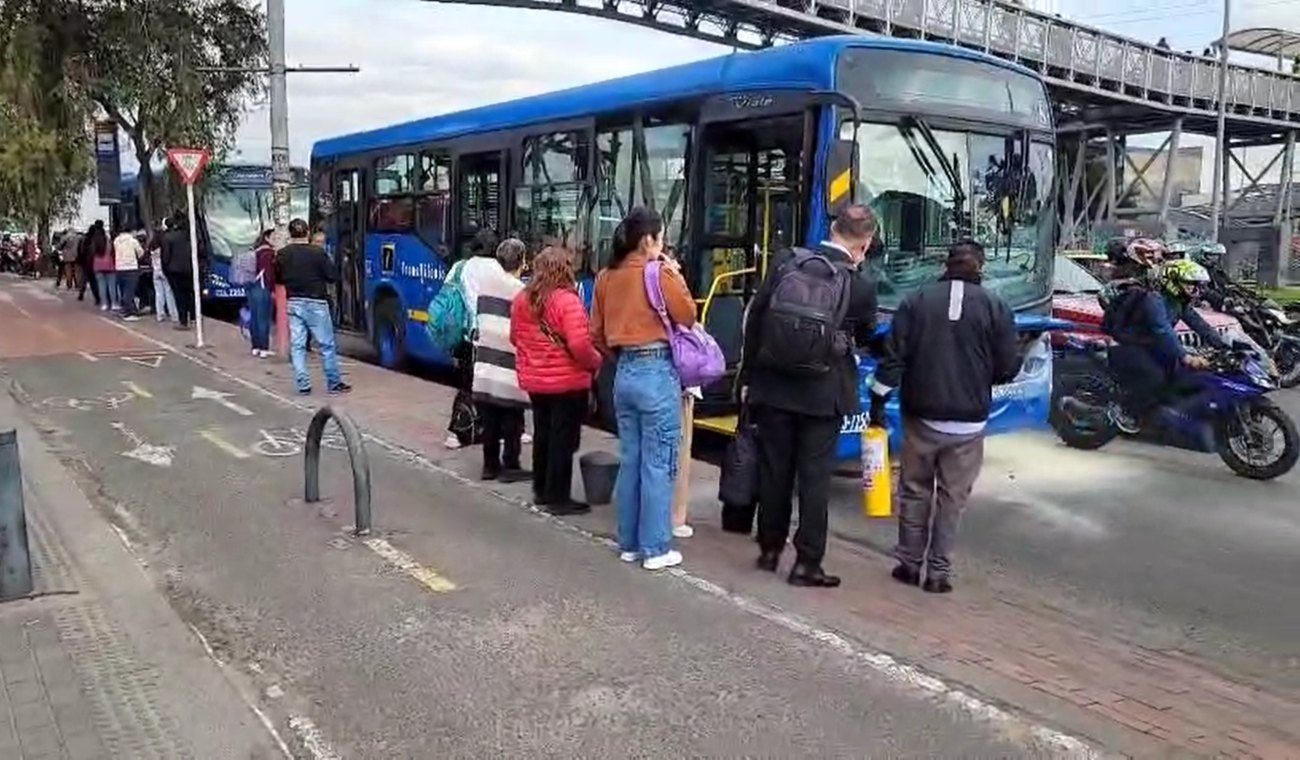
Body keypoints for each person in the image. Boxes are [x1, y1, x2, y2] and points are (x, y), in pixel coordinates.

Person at [739, 204, 887, 588]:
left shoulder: (787, 262)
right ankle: (807, 563)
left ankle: (769, 549)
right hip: (825, 394)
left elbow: (756, 320)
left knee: (775, 471)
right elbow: (869, 336)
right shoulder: (860, 285)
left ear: (832, 228)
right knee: (814, 479)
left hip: (773, 387)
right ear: (865, 244)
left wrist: (750, 378)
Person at [878, 241, 1022, 594]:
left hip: (922, 414)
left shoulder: (916, 300)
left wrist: (877, 403)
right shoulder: (996, 307)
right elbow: (1009, 366)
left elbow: (893, 359)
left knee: (914, 490)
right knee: (951, 498)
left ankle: (909, 564)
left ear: (945, 264)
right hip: (969, 422)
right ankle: (938, 574)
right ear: (981, 268)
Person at [592, 207, 696, 571]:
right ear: (648, 240)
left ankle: (630, 543)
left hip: (624, 374)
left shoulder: (606, 277)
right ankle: (655, 548)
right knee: (659, 462)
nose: (663, 244)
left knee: (632, 459)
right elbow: (687, 315)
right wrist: (674, 274)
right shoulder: (658, 272)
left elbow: (596, 334)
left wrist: (622, 360)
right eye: (661, 237)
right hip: (656, 371)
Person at [511, 246, 604, 514]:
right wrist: (596, 363)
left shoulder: (521, 299)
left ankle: (541, 490)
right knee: (563, 440)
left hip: (535, 382)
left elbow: (515, 338)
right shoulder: (568, 301)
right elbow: (580, 346)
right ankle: (558, 497)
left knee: (543, 435)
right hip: (567, 383)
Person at [1104, 258, 1227, 428]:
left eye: (1198, 285)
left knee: (1183, 377)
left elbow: (1201, 325)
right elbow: (1162, 330)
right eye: (1190, 284)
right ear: (1173, 282)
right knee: (1154, 378)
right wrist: (1185, 357)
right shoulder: (1154, 299)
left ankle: (1162, 416)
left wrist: (1224, 345)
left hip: (1151, 347)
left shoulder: (1179, 302)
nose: (1197, 290)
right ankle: (1126, 412)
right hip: (1130, 346)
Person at [470, 238, 529, 482]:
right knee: (513, 419)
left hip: (485, 362)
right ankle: (511, 465)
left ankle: (489, 465)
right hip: (509, 364)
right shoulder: (521, 293)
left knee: (490, 417)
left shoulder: (485, 288)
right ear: (522, 262)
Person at [275, 218, 350, 395]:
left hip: (294, 302)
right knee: (326, 344)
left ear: (290, 234)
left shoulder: (282, 254)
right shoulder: (318, 253)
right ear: (307, 233)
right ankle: (333, 382)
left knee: (298, 346)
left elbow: (278, 278)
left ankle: (303, 384)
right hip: (316, 302)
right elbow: (332, 276)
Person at [444, 227, 500, 450]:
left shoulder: (460, 266)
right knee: (488, 383)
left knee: (467, 382)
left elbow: (448, 295)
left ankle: (461, 432)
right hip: (486, 334)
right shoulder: (496, 269)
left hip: (461, 334)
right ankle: (461, 431)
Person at [162, 214, 198, 329]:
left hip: (174, 270)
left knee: (179, 296)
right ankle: (193, 317)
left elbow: (165, 257)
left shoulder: (168, 237)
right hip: (189, 268)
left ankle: (183, 321)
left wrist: (165, 269)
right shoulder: (190, 236)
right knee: (190, 294)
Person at [246, 229, 276, 358]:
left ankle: (255, 347)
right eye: (274, 236)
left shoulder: (255, 251)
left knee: (254, 318)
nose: (276, 239)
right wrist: (273, 290)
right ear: (267, 238)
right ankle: (264, 348)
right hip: (263, 287)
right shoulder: (268, 253)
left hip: (252, 287)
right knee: (264, 318)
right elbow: (269, 274)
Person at [112, 226, 144, 320]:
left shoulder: (116, 241)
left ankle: (130, 309)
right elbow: (140, 253)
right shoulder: (133, 241)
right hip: (131, 267)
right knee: (130, 290)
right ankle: (128, 312)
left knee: (123, 289)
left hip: (119, 267)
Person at [148, 225, 178, 323]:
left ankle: (160, 314)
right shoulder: (163, 246)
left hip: (155, 271)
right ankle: (173, 315)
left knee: (159, 293)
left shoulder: (152, 247)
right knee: (169, 293)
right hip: (164, 271)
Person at [89, 221, 117, 311]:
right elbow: (112, 251)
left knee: (101, 286)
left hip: (97, 265)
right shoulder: (108, 239)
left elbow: (92, 253)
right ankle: (114, 303)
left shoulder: (94, 240)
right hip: (109, 264)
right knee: (111, 285)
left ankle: (104, 304)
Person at [76, 224, 101, 306]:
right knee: (93, 281)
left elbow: (79, 250)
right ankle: (97, 298)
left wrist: (79, 259)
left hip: (84, 262)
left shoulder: (83, 239)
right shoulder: (95, 239)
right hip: (93, 262)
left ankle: (81, 293)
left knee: (84, 279)